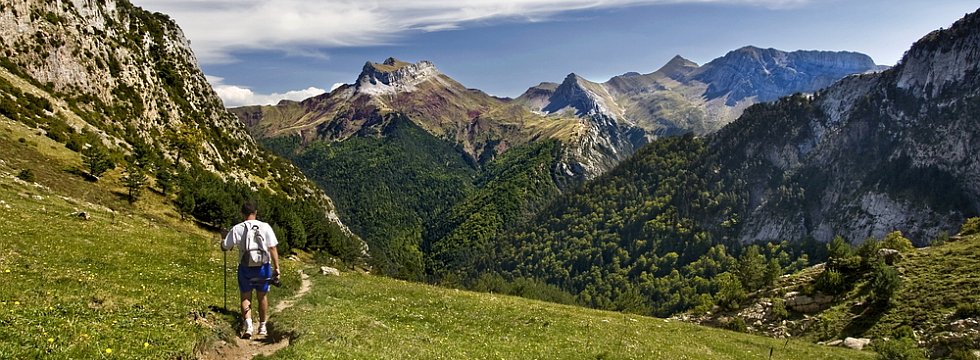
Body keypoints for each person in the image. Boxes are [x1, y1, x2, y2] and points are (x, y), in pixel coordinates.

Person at [222, 201, 281, 339]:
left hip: (245, 268)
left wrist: (223, 240)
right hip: (263, 267)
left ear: (242, 213)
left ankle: (248, 325)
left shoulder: (237, 228)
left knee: (245, 297)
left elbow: (225, 246)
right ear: (256, 213)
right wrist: (277, 268)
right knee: (262, 296)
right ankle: (262, 326)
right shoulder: (265, 226)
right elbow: (272, 247)